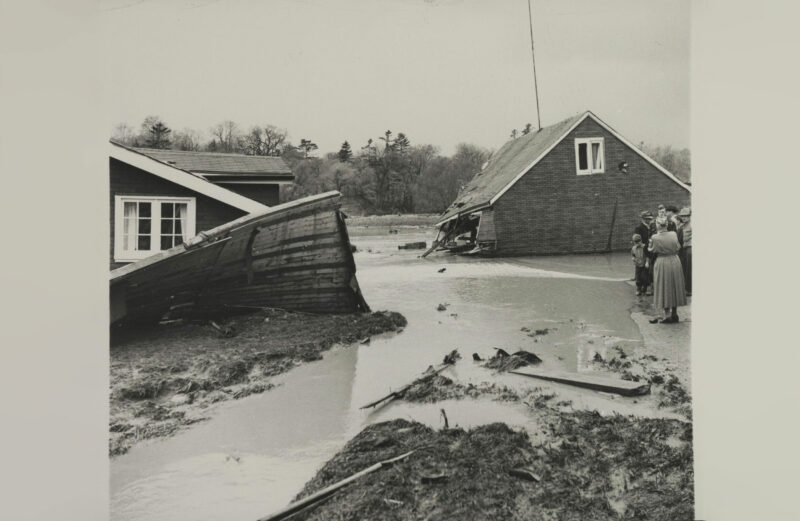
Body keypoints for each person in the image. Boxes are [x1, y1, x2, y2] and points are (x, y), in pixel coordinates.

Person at [648, 217, 687, 323]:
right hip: (675, 260)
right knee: (675, 285)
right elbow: (678, 246)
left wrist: (649, 245)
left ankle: (667, 315)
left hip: (663, 261)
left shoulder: (655, 237)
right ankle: (675, 313)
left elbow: (651, 250)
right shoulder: (673, 234)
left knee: (664, 286)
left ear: (658, 225)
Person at [634, 211, 654, 294]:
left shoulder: (651, 227)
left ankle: (646, 287)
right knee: (640, 270)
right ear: (643, 219)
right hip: (642, 252)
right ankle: (639, 287)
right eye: (647, 219)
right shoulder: (639, 228)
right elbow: (636, 240)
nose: (649, 220)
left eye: (649, 219)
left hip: (650, 251)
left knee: (647, 270)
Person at [677, 207, 692, 296]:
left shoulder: (692, 225)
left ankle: (689, 289)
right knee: (683, 269)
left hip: (689, 249)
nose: (684, 218)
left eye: (686, 216)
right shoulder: (681, 226)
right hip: (682, 250)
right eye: (682, 216)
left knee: (689, 269)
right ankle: (685, 287)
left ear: (689, 216)